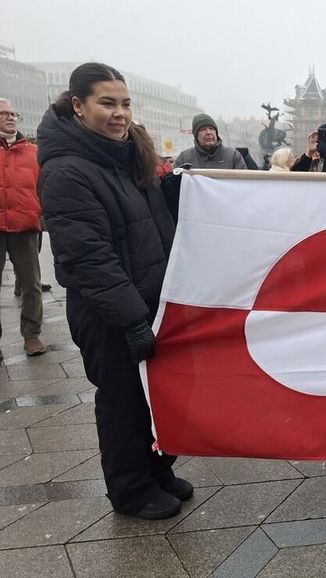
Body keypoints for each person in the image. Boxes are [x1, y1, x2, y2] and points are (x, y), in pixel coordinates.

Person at [36, 62, 193, 520]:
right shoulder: (68, 171)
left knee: (157, 394)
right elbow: (88, 259)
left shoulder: (126, 157)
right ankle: (130, 490)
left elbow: (151, 227)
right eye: (108, 103)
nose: (119, 113)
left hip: (149, 300)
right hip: (110, 312)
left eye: (125, 103)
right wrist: (132, 320)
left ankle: (157, 470)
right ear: (79, 106)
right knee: (123, 401)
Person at [0, 98, 47, 358]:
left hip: (25, 224)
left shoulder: (33, 151)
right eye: (4, 113)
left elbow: (44, 187)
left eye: (12, 113)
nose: (10, 117)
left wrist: (39, 213)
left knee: (32, 284)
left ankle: (32, 335)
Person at [174, 113, 246, 170]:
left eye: (211, 128)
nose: (208, 132)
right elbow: (174, 186)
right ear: (196, 136)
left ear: (216, 133)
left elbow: (243, 183)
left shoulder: (233, 156)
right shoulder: (184, 159)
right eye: (203, 129)